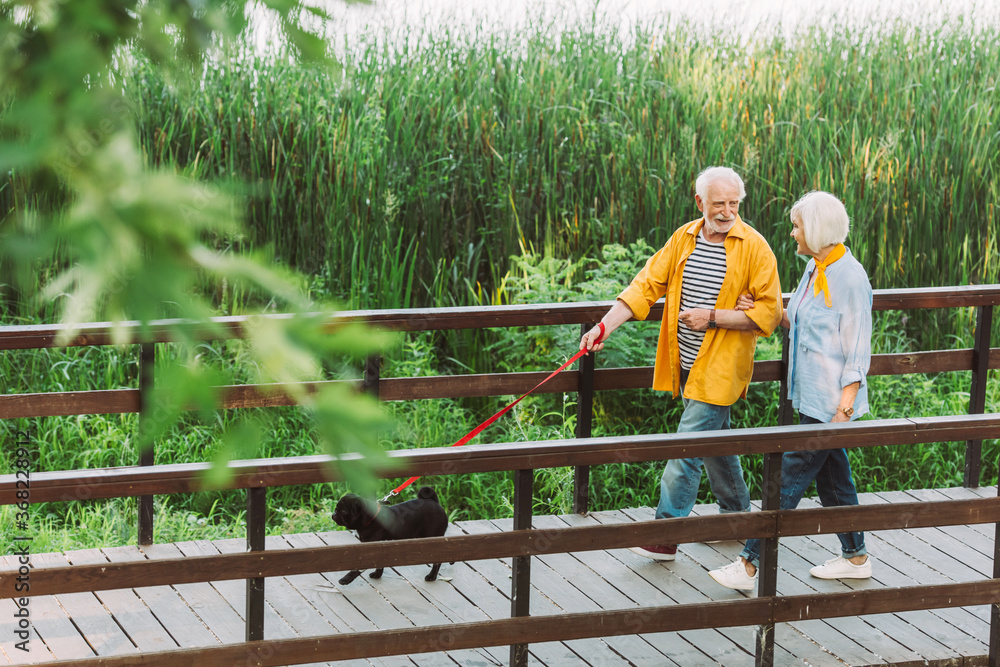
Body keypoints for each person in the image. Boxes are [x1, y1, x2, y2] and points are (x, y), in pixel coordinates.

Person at [580, 166, 783, 561]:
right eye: (719, 203)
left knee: (686, 446)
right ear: (700, 202)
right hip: (684, 361)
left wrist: (713, 316)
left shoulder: (756, 248)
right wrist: (604, 327)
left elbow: (770, 314)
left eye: (734, 204)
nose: (727, 212)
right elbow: (644, 286)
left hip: (722, 367)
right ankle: (738, 518)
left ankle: (665, 532)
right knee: (714, 444)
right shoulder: (684, 238)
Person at [708, 190, 873, 590]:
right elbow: (798, 321)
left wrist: (844, 410)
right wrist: (758, 310)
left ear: (815, 230)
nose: (792, 232)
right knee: (834, 482)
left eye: (797, 226)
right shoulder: (815, 268)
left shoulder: (850, 278)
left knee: (787, 480)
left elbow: (857, 349)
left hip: (830, 405)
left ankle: (748, 564)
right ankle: (856, 557)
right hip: (809, 396)